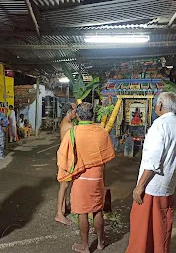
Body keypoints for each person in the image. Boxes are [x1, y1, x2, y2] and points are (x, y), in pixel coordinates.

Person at [57, 102, 115, 252]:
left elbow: (64, 157)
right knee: (97, 210)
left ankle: (85, 246)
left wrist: (65, 174)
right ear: (93, 115)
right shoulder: (101, 131)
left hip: (81, 178)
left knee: (82, 212)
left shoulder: (73, 132)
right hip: (97, 177)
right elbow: (106, 156)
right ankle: (101, 243)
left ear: (77, 115)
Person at [126, 92, 176, 253]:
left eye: (156, 103)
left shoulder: (159, 125)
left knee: (142, 228)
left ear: (160, 106)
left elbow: (153, 161)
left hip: (152, 187)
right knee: (162, 225)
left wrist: (140, 186)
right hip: (168, 185)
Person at [55, 102, 77, 226]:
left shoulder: (64, 122)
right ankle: (59, 214)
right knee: (64, 185)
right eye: (74, 111)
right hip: (66, 157)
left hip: (64, 156)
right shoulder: (69, 125)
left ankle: (63, 209)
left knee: (65, 185)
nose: (76, 113)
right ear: (69, 112)